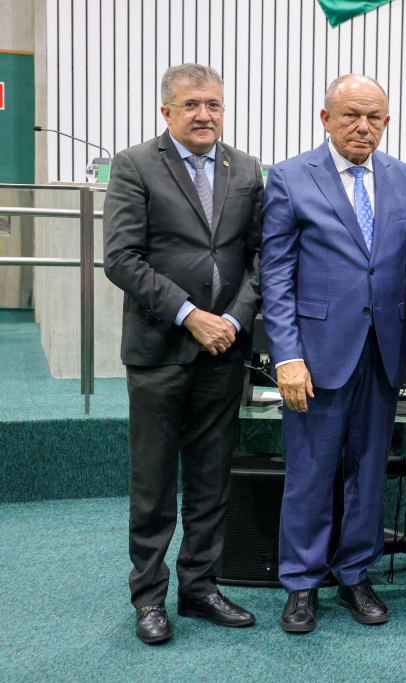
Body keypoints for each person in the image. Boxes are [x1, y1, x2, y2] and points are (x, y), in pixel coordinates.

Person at [260, 74, 406, 634]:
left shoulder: (404, 179)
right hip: (315, 355)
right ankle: (302, 582)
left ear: (387, 121)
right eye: (352, 116)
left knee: (368, 470)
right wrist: (285, 354)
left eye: (375, 117)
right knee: (310, 472)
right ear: (325, 118)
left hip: (383, 351)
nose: (364, 127)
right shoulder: (289, 177)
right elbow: (276, 275)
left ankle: (355, 574)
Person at [103, 63, 263, 645]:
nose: (205, 115)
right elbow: (121, 258)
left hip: (225, 348)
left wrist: (233, 319)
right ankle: (149, 596)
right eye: (192, 105)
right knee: (152, 484)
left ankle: (200, 587)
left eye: (214, 105)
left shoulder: (244, 168)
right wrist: (191, 316)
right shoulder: (135, 165)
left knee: (211, 478)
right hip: (161, 350)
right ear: (166, 112)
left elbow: (259, 257)